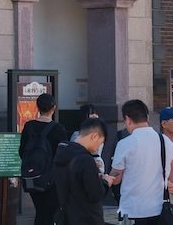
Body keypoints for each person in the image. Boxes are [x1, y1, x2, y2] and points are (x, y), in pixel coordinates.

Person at [109, 99, 173, 225]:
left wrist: (105, 177)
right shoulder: (166, 142)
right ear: (147, 117)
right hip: (159, 210)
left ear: (127, 119)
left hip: (132, 210)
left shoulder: (125, 143)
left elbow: (116, 177)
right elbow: (170, 173)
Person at [19, 93, 68, 225]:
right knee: (50, 213)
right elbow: (63, 155)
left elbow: (22, 151)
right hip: (51, 178)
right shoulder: (58, 129)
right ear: (54, 107)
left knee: (40, 211)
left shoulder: (29, 126)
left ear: (37, 107)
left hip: (31, 177)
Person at [54, 118, 114, 225]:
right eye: (100, 143)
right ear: (94, 136)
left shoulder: (61, 154)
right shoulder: (86, 159)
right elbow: (95, 194)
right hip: (87, 218)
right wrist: (105, 182)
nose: (98, 148)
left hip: (66, 217)